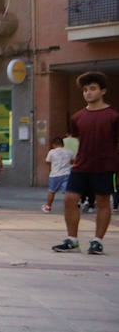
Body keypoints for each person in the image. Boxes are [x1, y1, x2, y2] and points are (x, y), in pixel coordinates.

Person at [54, 71, 119, 254]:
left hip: (106, 166)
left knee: (102, 202)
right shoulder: (77, 117)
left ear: (103, 91)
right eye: (85, 90)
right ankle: (72, 239)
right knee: (69, 199)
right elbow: (76, 140)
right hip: (81, 165)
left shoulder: (113, 116)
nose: (88, 93)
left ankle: (97, 241)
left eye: (92, 89)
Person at [42, 136, 74, 213]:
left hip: (55, 174)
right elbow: (73, 161)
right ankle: (70, 207)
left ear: (54, 145)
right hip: (67, 174)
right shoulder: (69, 151)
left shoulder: (52, 152)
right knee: (67, 192)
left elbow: (47, 162)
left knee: (52, 191)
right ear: (63, 144)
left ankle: (48, 207)